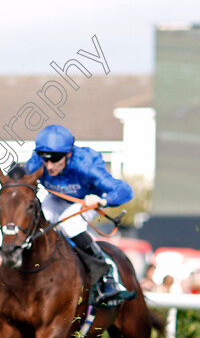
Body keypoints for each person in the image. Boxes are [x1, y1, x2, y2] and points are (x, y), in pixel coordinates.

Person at [25, 124, 135, 306]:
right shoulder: (37, 162)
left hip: (88, 201)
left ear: (68, 154)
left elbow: (125, 190)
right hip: (57, 200)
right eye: (45, 160)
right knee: (38, 220)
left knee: (69, 224)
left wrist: (103, 201)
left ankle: (107, 273)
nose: (49, 166)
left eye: (55, 160)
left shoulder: (85, 165)